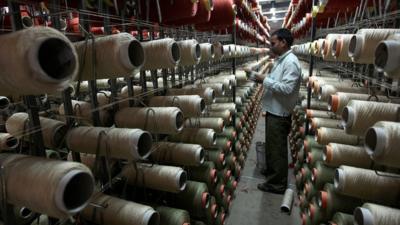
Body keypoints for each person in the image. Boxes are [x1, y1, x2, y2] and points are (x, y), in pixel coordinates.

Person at [248, 28, 301, 194]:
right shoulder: (280, 60)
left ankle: (277, 184)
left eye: (273, 43)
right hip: (274, 110)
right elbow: (274, 81)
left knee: (277, 150)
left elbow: (286, 89)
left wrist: (263, 79)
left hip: (280, 113)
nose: (271, 46)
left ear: (283, 43)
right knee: (272, 146)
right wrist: (255, 77)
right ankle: (272, 172)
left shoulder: (291, 62)